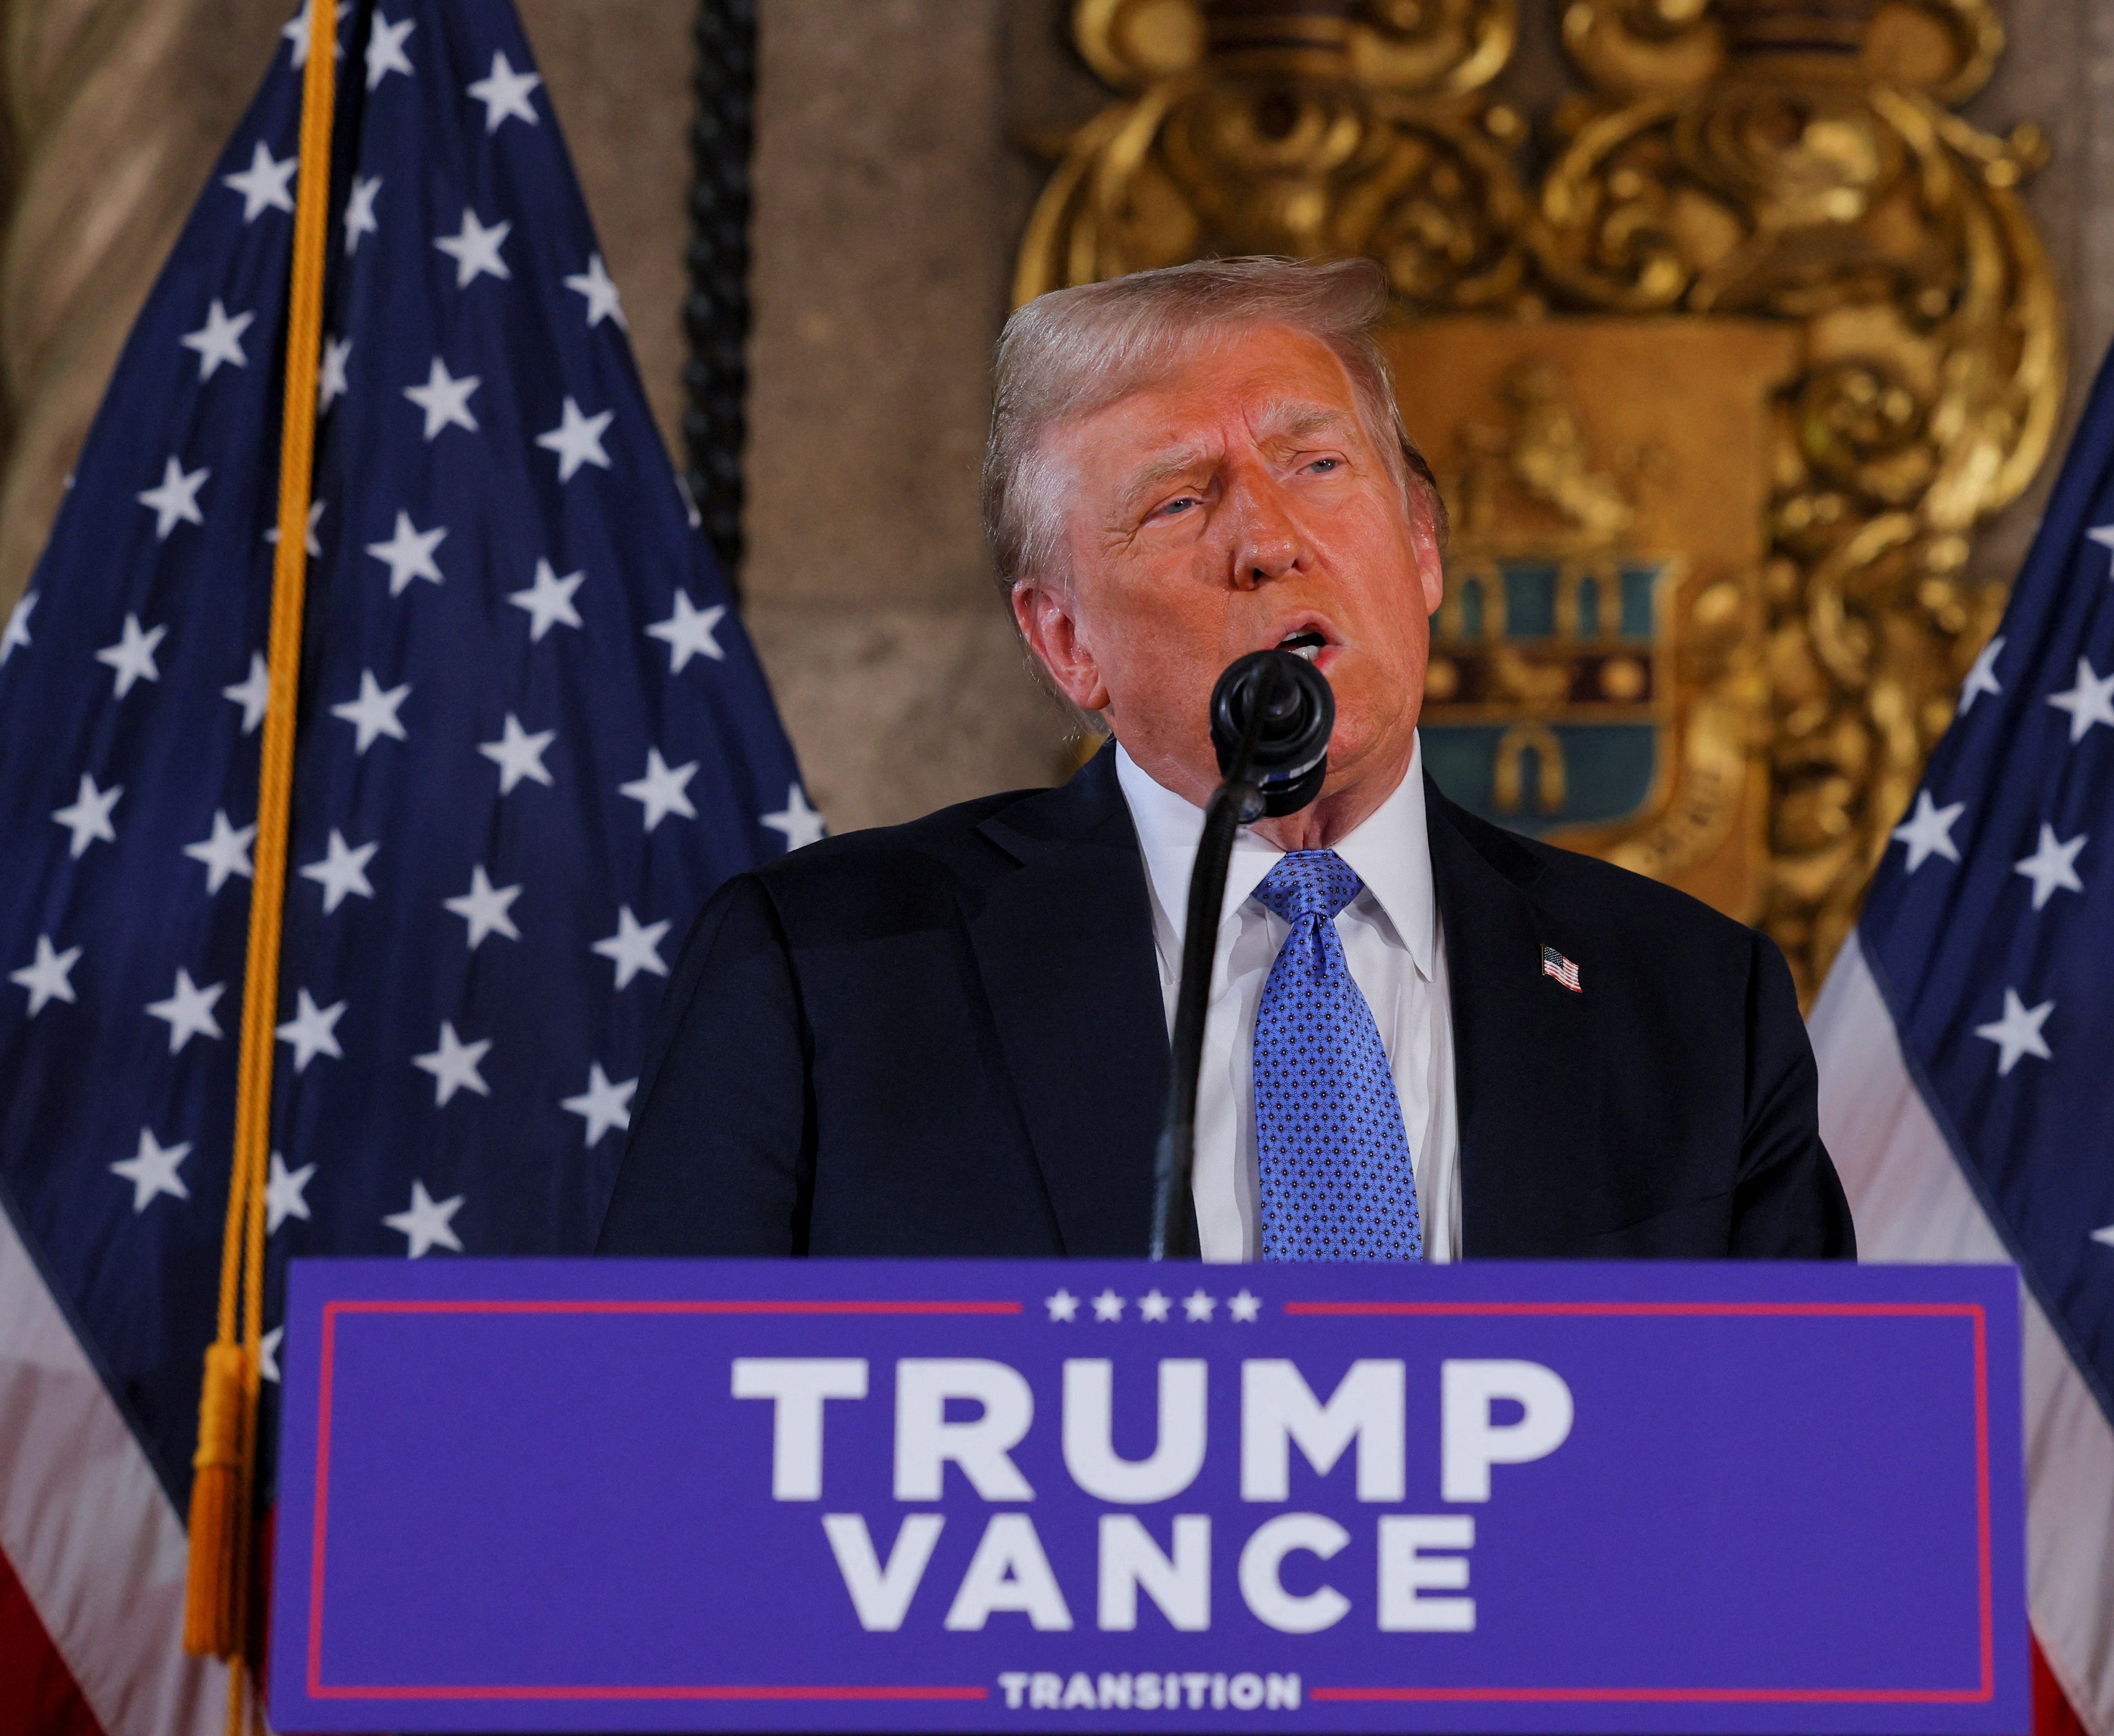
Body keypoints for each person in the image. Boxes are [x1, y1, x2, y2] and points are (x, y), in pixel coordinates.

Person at [597, 256, 1853, 1262]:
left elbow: (1798, 1482)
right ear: (1066, 641)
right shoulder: (830, 972)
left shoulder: (1690, 1003)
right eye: (1178, 503)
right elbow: (662, 1448)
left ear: (1420, 549)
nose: (1269, 538)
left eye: (1317, 464)